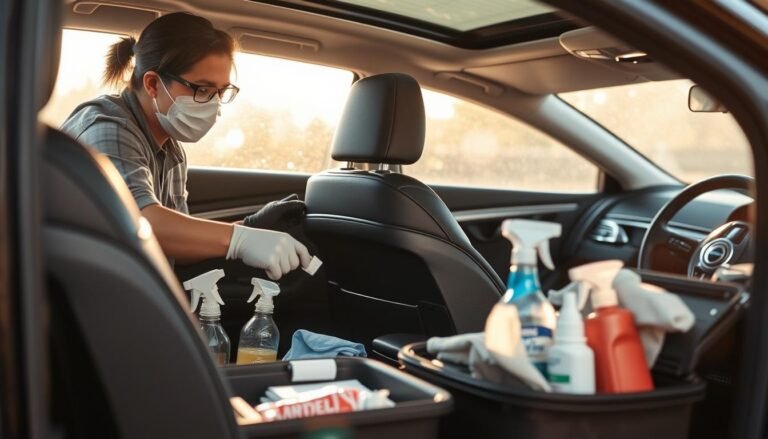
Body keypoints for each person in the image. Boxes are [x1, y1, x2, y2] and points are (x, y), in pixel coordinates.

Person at [61, 12, 309, 280]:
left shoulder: (171, 147)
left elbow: (175, 244)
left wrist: (252, 228)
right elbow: (139, 223)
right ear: (153, 84)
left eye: (221, 92)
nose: (213, 104)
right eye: (202, 89)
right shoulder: (109, 128)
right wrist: (239, 239)